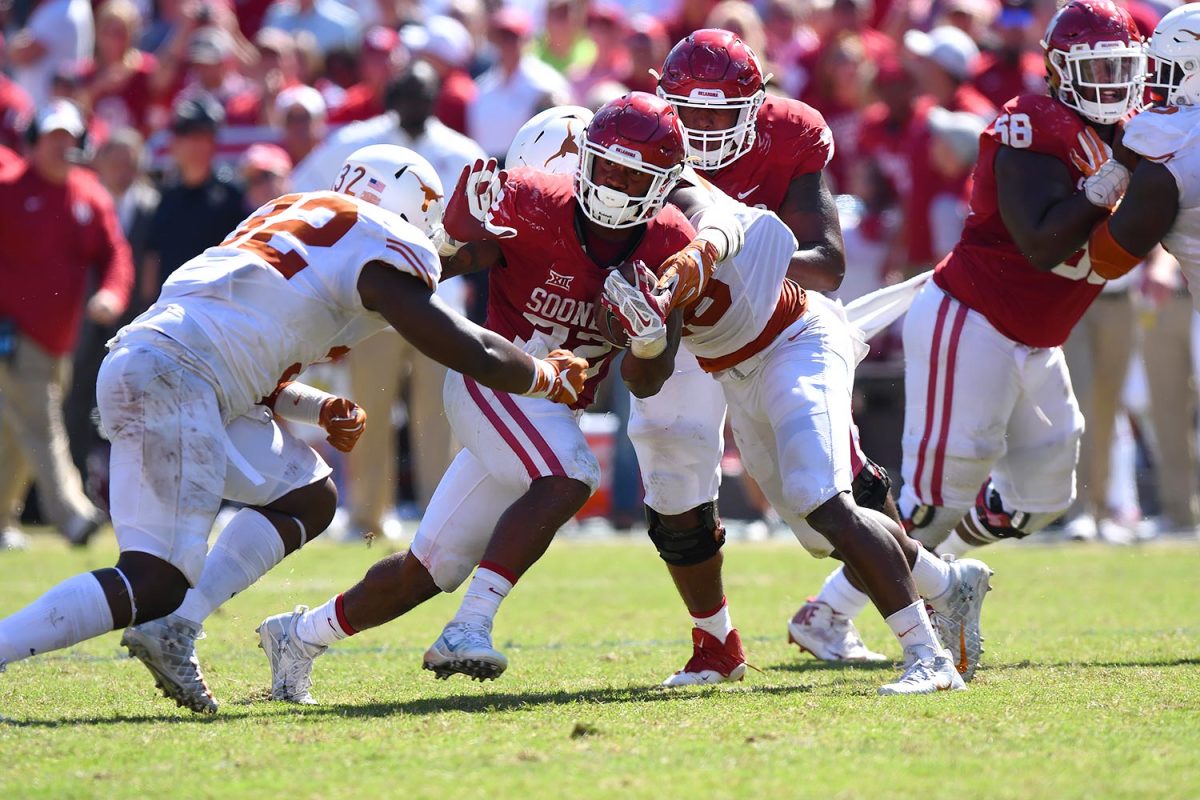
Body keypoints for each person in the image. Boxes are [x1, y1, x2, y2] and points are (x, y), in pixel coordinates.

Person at [0, 143, 588, 713]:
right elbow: (460, 341)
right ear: (413, 207)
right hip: (182, 379)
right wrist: (540, 374)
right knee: (152, 581)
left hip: (165, 364)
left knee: (306, 495)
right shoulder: (383, 241)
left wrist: (317, 408)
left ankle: (177, 626)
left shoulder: (285, 214)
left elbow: (250, 350)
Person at [254, 94, 697, 702]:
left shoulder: (671, 240)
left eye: (634, 176)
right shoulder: (536, 206)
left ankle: (299, 635)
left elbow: (649, 380)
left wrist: (648, 340)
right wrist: (449, 236)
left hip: (548, 409)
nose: (616, 188)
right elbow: (450, 267)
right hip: (499, 380)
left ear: (665, 184)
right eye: (608, 167)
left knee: (429, 570)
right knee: (570, 474)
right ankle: (469, 626)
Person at [639, 29, 944, 677]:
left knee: (831, 493)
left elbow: (828, 265)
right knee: (666, 446)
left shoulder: (789, 133)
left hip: (781, 324)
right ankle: (714, 641)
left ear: (755, 106)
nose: (699, 129)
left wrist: (733, 256)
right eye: (686, 111)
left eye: (717, 114)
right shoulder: (639, 141)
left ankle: (926, 611)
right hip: (693, 328)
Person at [893, 0, 1145, 564]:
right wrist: (1116, 176)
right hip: (973, 316)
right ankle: (831, 613)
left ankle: (945, 575)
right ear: (1057, 69)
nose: (1110, 84)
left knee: (1041, 493)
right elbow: (1041, 242)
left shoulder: (1130, 134)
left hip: (1035, 336)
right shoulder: (1034, 120)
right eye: (1095, 69)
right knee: (935, 498)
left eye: (1119, 68)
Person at [293, 61, 485, 537]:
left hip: (440, 297)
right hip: (373, 300)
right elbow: (305, 189)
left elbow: (488, 220)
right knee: (369, 410)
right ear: (391, 99)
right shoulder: (360, 142)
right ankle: (368, 519)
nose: (416, 107)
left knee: (438, 416)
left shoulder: (460, 151)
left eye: (424, 97)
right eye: (408, 97)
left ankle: (440, 520)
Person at [1080, 1, 1200, 538]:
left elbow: (1109, 256)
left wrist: (1096, 196)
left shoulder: (1165, 141)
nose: (1159, 84)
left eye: (1170, 70)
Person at [0, 100, 131, 552]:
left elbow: (115, 253)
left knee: (16, 433)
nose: (61, 145)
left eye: (69, 138)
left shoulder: (88, 194)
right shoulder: (8, 188)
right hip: (12, 335)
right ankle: (72, 515)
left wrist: (112, 292)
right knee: (42, 424)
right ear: (34, 140)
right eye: (53, 136)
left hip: (62, 340)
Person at [143, 94, 246, 295]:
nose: (194, 146)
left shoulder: (232, 195)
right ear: (174, 143)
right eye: (187, 137)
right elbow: (152, 256)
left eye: (203, 137)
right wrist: (147, 306)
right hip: (169, 307)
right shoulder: (163, 196)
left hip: (216, 306)